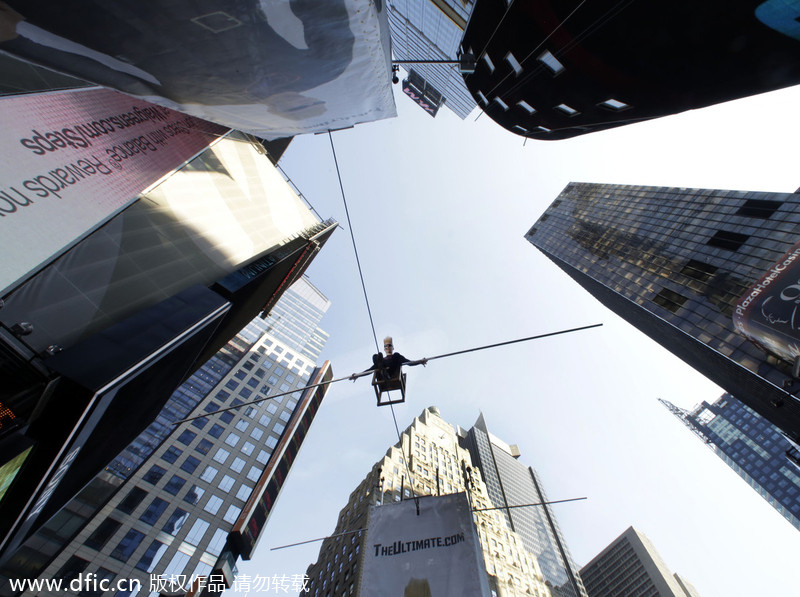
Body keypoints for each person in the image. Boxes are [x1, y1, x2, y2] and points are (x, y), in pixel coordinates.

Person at [350, 336, 427, 381]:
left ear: (393, 348)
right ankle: (383, 372)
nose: (388, 348)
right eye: (386, 347)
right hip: (381, 374)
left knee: (396, 355)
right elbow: (370, 370)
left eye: (389, 346)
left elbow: (409, 363)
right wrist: (358, 375)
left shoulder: (396, 357)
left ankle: (386, 374)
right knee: (376, 356)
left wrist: (420, 361)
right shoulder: (382, 360)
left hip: (392, 374)